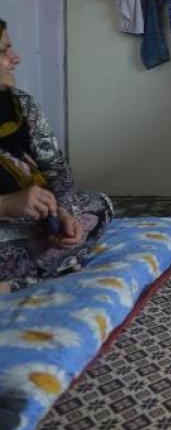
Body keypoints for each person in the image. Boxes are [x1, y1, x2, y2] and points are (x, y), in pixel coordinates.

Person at [0, 18, 113, 294]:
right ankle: (43, 269)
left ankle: (18, 279)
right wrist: (6, 204)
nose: (16, 58)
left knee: (99, 204)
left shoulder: (21, 105)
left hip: (34, 226)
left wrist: (62, 214)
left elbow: (56, 168)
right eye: (3, 51)